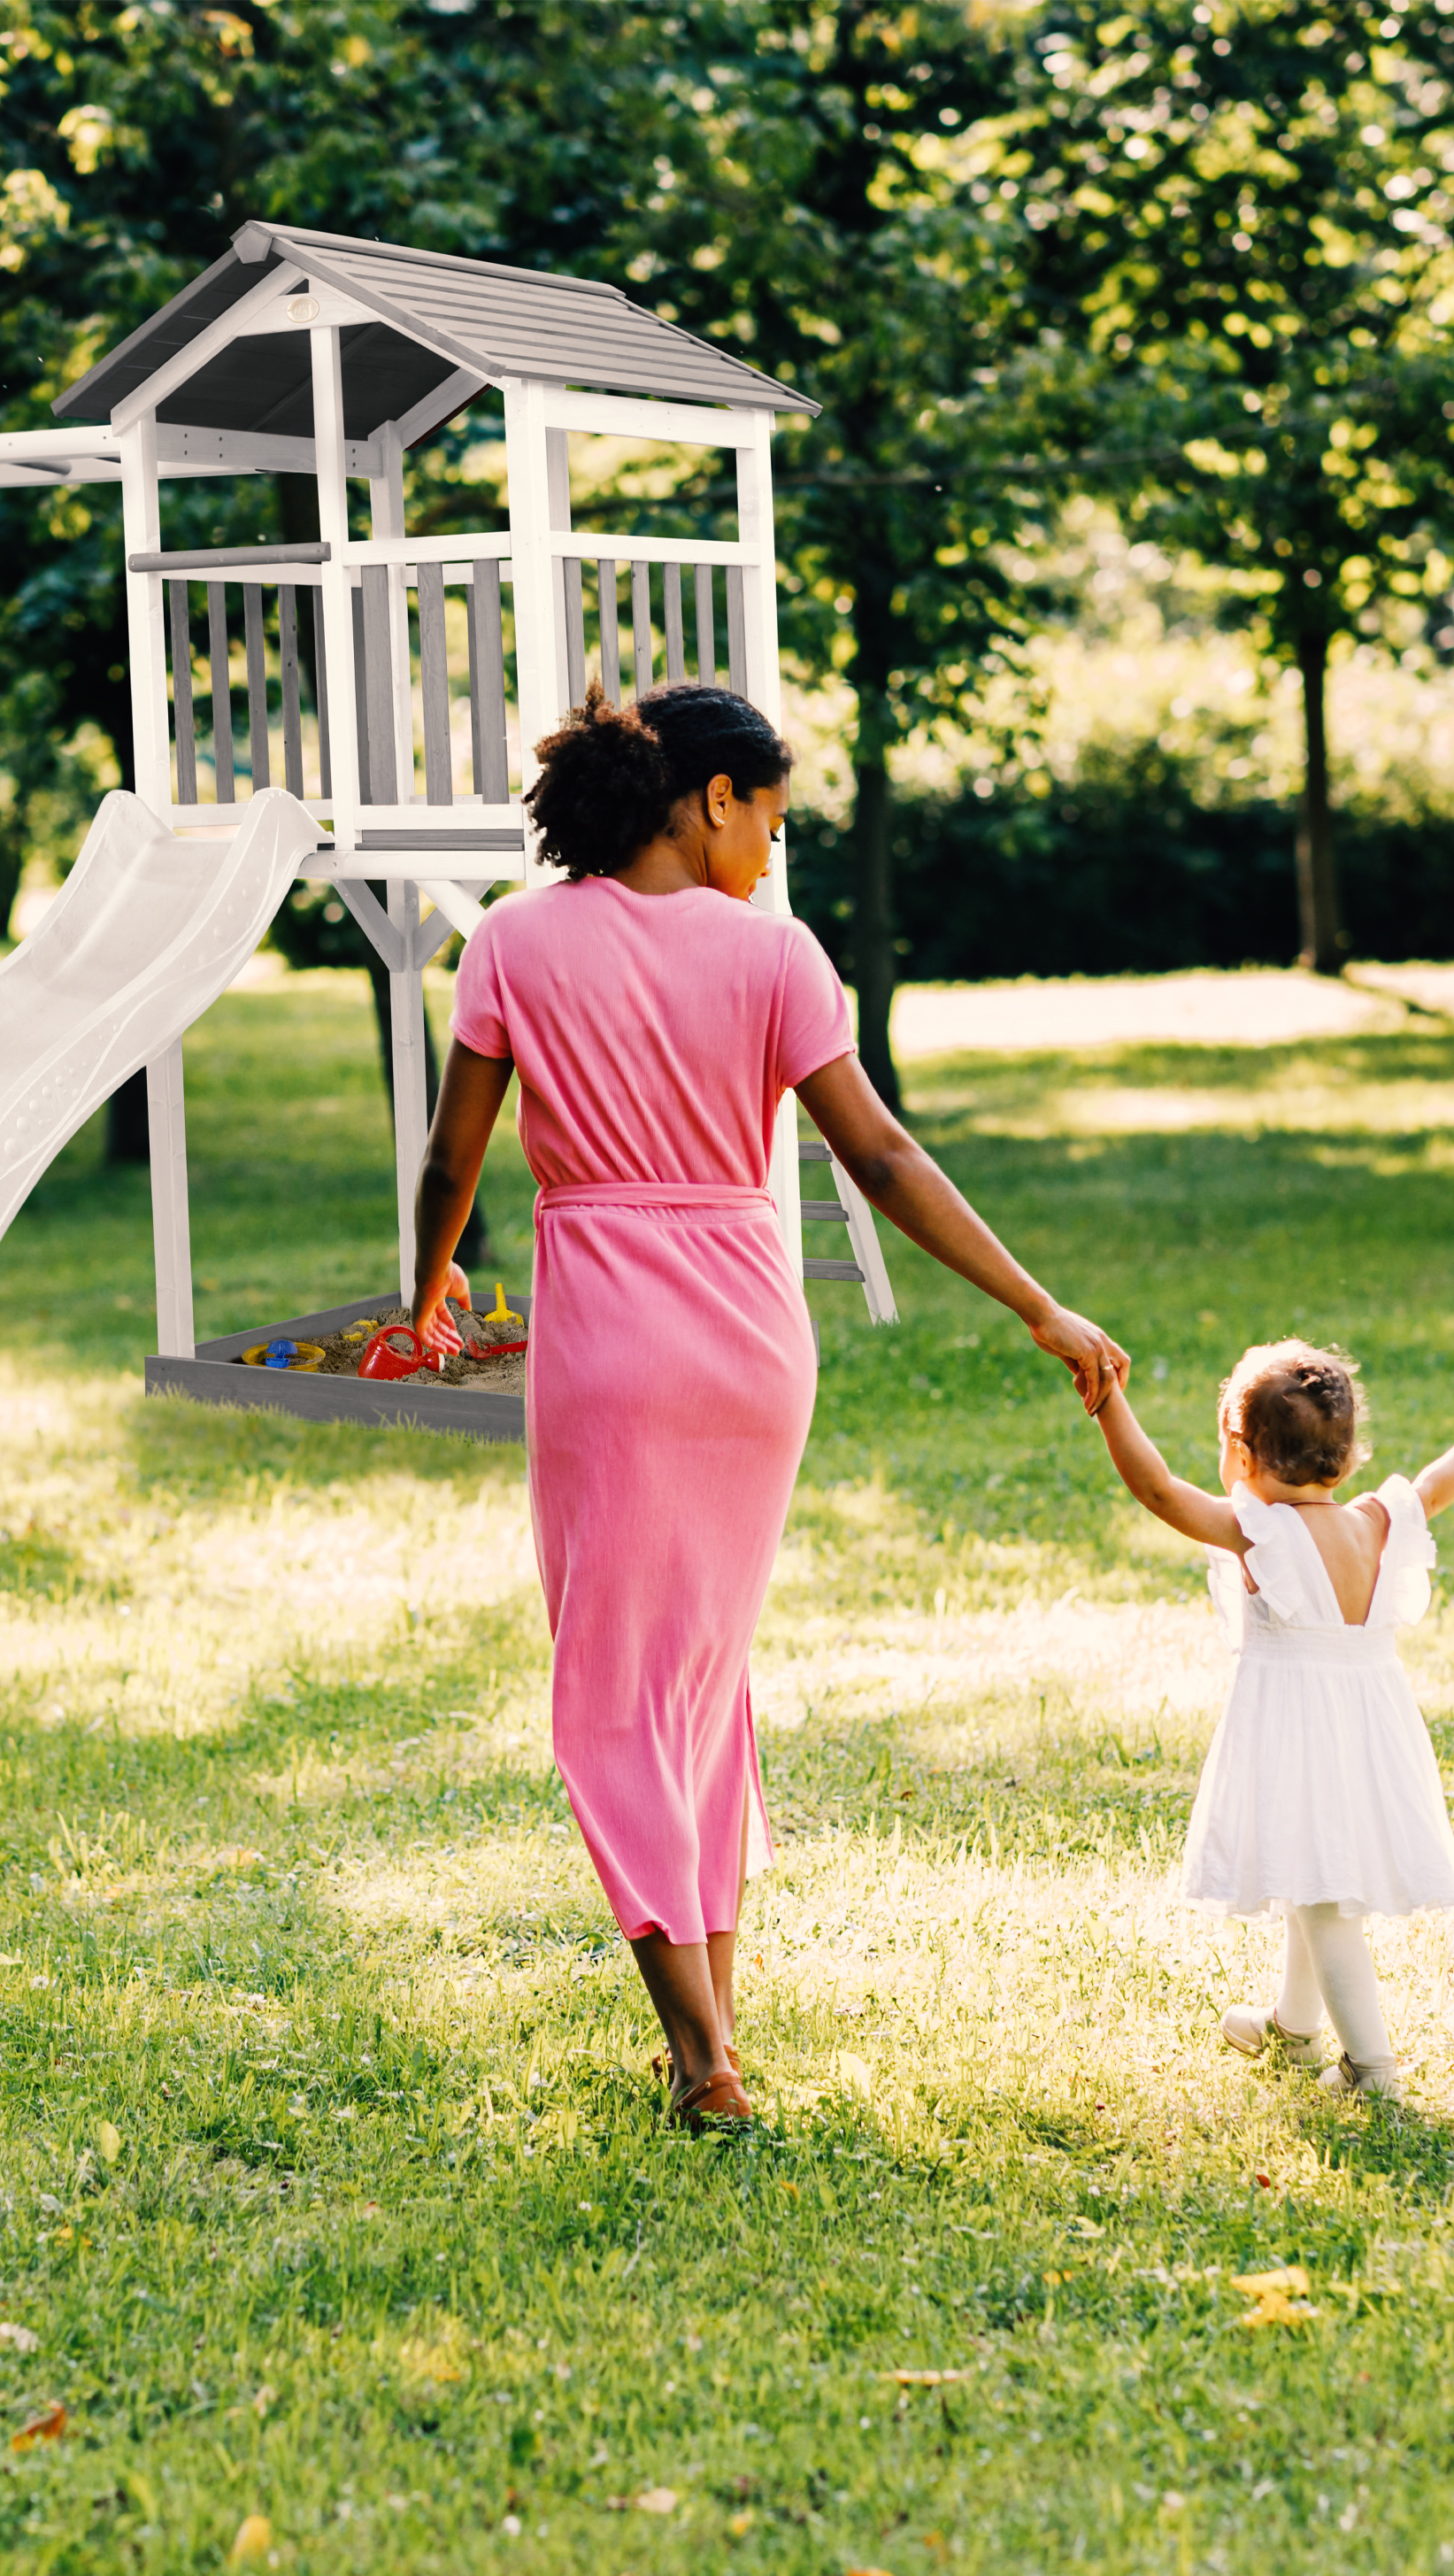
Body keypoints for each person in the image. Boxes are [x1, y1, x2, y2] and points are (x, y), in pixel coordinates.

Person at [405, 683, 1127, 2128]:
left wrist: (422, 1290)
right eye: (772, 821)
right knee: (698, 1681)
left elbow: (451, 1159)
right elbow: (883, 1158)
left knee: (614, 1692)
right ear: (710, 797)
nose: (772, 853)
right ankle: (713, 2029)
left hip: (609, 1339)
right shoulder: (777, 957)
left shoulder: (512, 940)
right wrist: (1036, 1302)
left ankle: (700, 2056)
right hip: (750, 1340)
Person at [1089, 1338, 1454, 2096]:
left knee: (1324, 1903)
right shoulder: (1378, 1520)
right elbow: (1437, 1483)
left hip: (1299, 1736)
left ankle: (1372, 2070)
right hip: (1368, 1733)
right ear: (1348, 1458)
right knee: (1307, 1873)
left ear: (1242, 1456)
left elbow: (1157, 1489)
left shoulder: (1260, 1533)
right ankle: (1293, 2028)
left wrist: (1108, 1401)